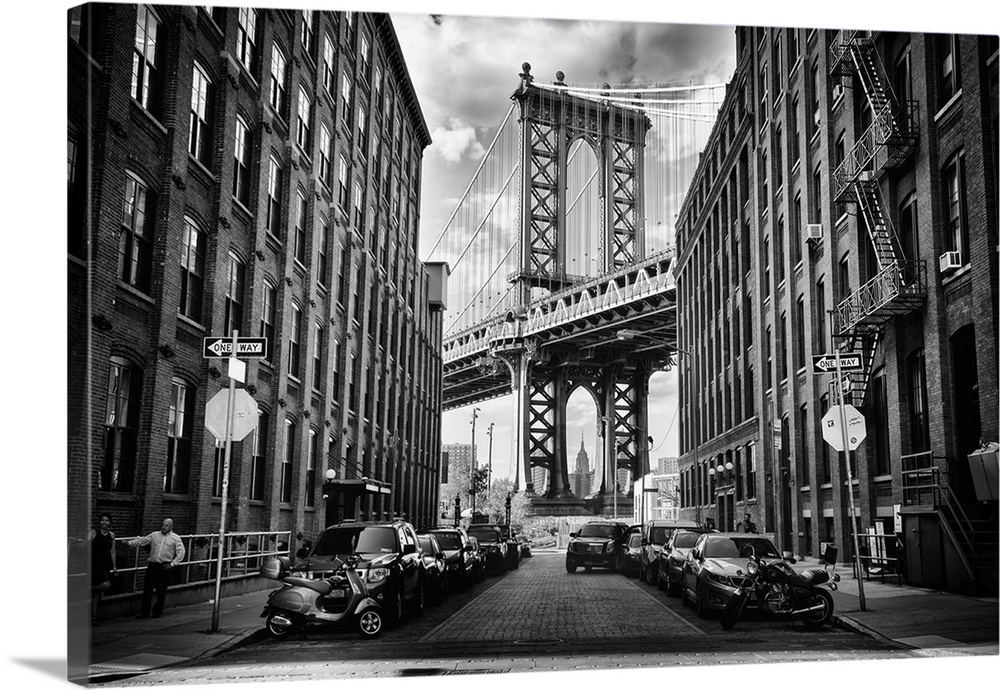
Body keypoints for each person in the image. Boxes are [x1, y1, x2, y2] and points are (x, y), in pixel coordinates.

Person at [128, 518, 186, 618]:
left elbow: (181, 552)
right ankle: (144, 612)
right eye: (163, 525)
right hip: (153, 565)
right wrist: (130, 543)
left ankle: (157, 611)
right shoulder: (154, 535)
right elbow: (143, 540)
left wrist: (172, 564)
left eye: (166, 525)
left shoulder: (175, 538)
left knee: (161, 590)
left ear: (171, 527)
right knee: (147, 589)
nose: (164, 527)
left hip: (164, 566)